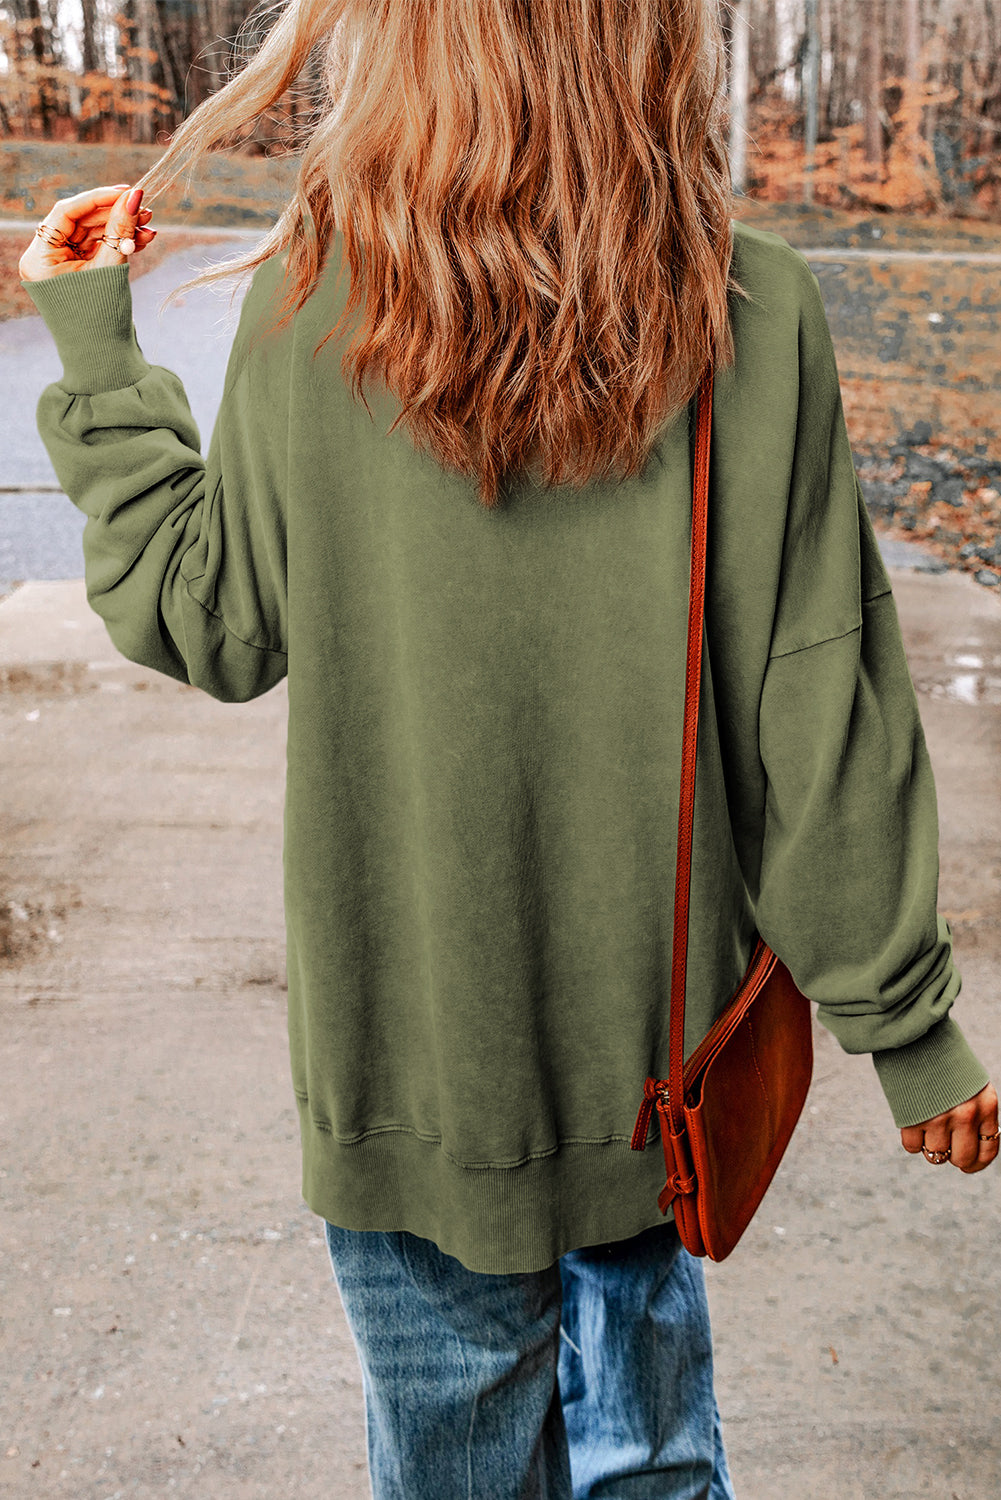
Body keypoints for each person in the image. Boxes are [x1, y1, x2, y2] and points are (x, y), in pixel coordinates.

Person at [18, 0, 998, 1494]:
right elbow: (817, 705)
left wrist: (98, 354)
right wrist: (906, 1029)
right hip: (655, 1078)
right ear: (653, 45)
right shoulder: (749, 313)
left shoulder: (308, 312)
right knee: (654, 1466)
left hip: (407, 1081)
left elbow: (199, 619)